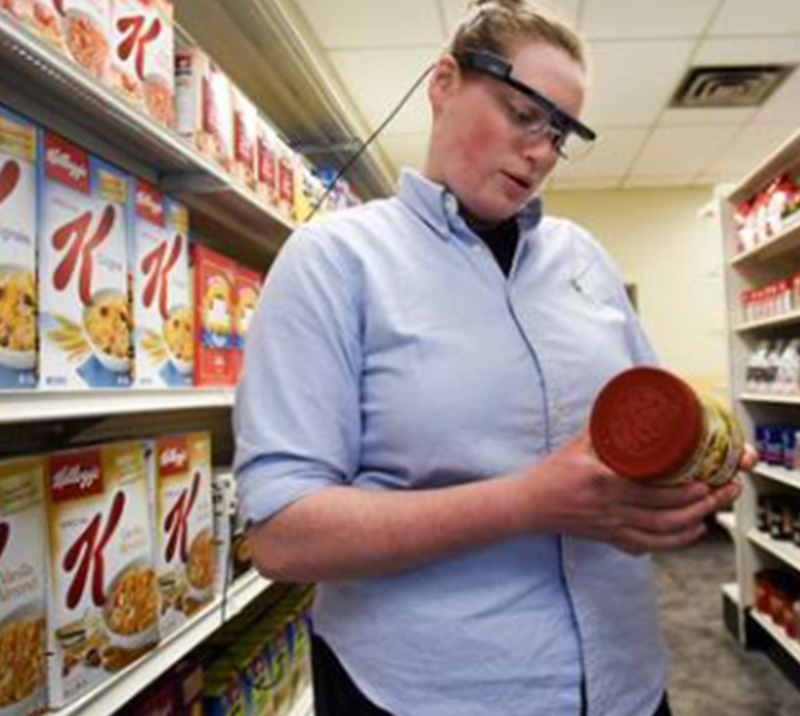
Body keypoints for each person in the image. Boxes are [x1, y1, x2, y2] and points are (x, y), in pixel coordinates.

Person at [234, 1, 747, 715]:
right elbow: (283, 538)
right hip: (432, 693)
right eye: (524, 113)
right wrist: (526, 502)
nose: (542, 151)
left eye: (560, 133)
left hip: (625, 682)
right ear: (444, 82)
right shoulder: (334, 260)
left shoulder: (583, 259)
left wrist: (692, 474)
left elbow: (651, 427)